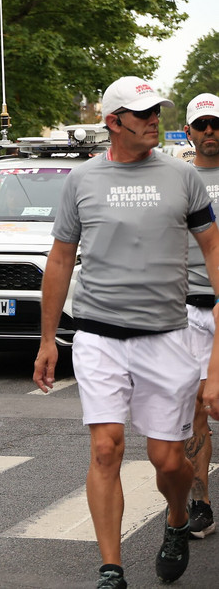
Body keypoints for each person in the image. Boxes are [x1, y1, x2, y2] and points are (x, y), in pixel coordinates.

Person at [33, 76, 219, 588]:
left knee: (168, 460)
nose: (154, 119)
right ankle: (111, 569)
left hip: (165, 335)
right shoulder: (82, 180)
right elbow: (61, 258)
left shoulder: (183, 178)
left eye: (157, 111)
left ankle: (177, 517)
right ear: (113, 122)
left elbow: (212, 249)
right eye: (143, 114)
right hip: (98, 334)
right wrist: (49, 341)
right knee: (106, 448)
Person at [182, 93, 219, 540]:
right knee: (196, 409)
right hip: (189, 306)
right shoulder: (177, 180)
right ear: (189, 130)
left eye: (217, 123)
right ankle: (201, 503)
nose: (211, 131)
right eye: (202, 124)